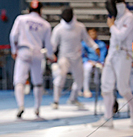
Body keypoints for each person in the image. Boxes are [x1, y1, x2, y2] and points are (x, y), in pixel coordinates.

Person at [9, 0, 55, 118]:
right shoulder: (45, 24)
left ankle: (21, 106)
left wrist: (14, 50)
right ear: (41, 10)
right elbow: (48, 44)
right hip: (37, 53)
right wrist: (50, 55)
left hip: (23, 51)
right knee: (38, 82)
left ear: (29, 9)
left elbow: (13, 35)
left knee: (19, 80)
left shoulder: (21, 19)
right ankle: (37, 108)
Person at [92, 0, 133, 128]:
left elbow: (121, 36)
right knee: (106, 86)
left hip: (124, 55)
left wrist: (111, 25)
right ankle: (107, 119)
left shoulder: (129, 17)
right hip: (112, 55)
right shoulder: (116, 18)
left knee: (123, 89)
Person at [50, 7, 99, 110]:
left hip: (77, 57)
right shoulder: (58, 29)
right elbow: (53, 44)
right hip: (64, 57)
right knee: (60, 78)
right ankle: (56, 101)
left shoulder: (80, 27)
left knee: (80, 80)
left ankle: (73, 98)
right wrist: (50, 54)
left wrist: (95, 47)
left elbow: (87, 39)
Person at [81, 28, 107, 98]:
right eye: (91, 34)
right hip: (88, 61)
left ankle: (103, 90)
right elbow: (82, 55)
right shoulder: (84, 44)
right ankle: (86, 90)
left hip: (98, 62)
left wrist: (100, 61)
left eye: (94, 33)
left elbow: (103, 54)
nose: (92, 35)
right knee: (87, 68)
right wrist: (87, 60)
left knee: (104, 70)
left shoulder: (101, 44)